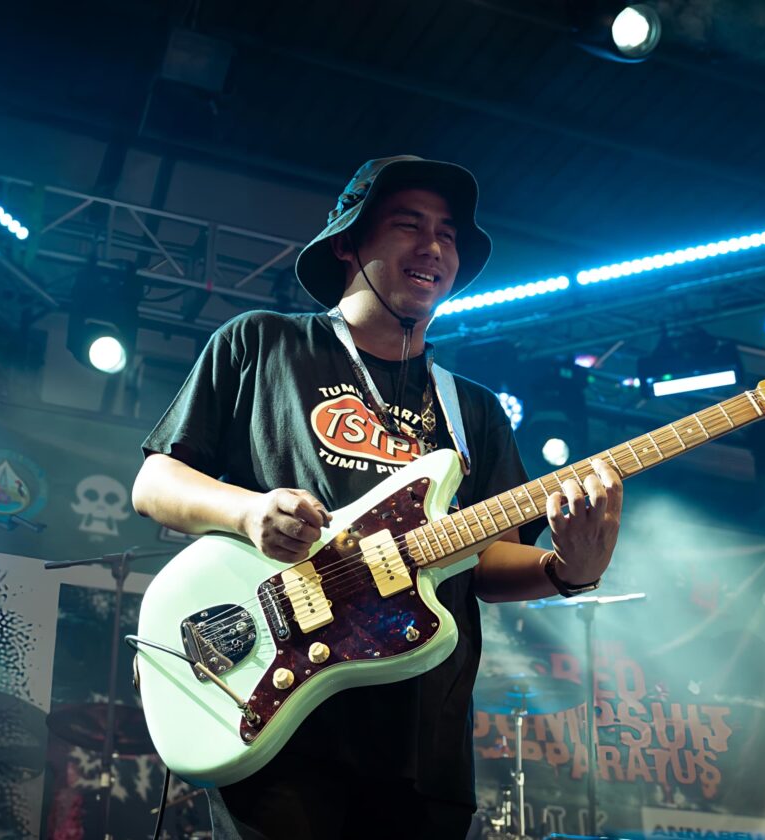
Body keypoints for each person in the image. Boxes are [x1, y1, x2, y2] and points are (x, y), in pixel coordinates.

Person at [132, 155, 623, 839]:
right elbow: (155, 483)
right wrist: (247, 512)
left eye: (448, 234)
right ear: (346, 243)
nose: (434, 247)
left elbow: (487, 564)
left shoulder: (473, 410)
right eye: (408, 225)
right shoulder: (261, 344)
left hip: (423, 744)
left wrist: (571, 570)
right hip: (283, 713)